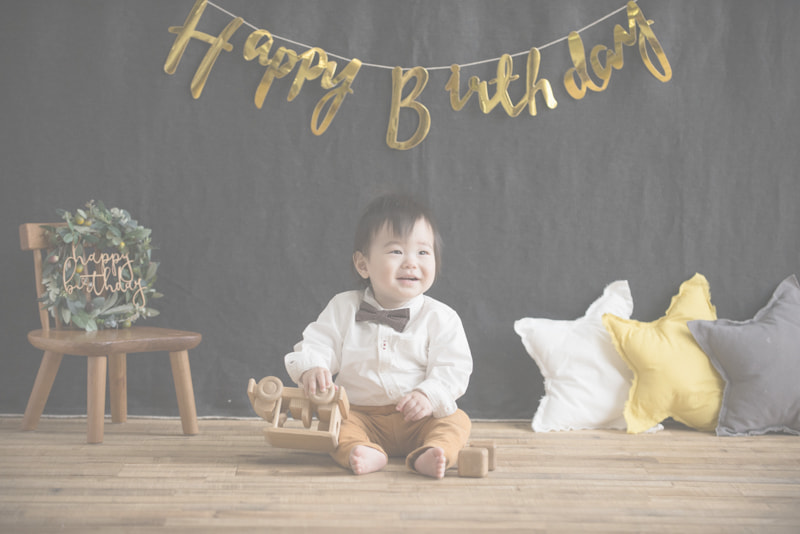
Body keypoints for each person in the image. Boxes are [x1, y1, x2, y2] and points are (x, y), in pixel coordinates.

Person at [284, 193, 473, 479]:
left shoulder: (441, 317)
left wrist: (428, 395)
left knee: (456, 421)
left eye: (423, 252)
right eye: (396, 251)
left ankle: (433, 451)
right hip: (359, 414)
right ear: (363, 265)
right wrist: (313, 367)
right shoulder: (343, 306)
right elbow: (319, 342)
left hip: (418, 417)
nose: (411, 263)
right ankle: (360, 449)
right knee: (333, 423)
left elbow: (454, 367)